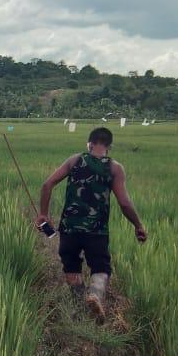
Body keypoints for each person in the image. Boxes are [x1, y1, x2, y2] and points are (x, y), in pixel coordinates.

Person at [36, 127, 147, 319]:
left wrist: (43, 215)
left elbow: (47, 185)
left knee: (71, 266)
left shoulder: (75, 160)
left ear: (89, 143)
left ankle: (79, 307)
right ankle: (94, 295)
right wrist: (138, 225)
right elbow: (124, 203)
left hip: (70, 228)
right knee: (101, 267)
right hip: (97, 231)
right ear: (109, 147)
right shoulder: (114, 168)